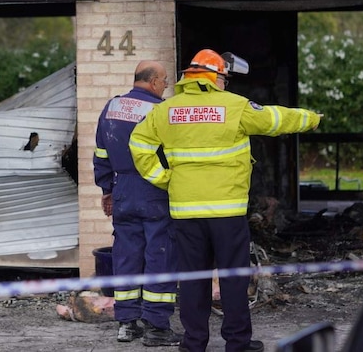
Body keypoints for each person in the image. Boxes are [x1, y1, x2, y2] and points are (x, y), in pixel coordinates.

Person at [129, 49, 322, 352]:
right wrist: (310, 119)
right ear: (215, 77)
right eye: (224, 78)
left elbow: (138, 144)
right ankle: (237, 343)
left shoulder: (167, 109)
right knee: (233, 278)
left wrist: (164, 178)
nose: (225, 84)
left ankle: (193, 344)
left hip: (186, 212)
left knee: (193, 280)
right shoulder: (233, 106)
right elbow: (274, 119)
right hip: (226, 212)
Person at [93, 60, 181, 347]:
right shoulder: (159, 111)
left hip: (121, 190)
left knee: (126, 256)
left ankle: (128, 325)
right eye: (165, 80)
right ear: (154, 81)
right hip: (153, 190)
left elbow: (101, 154)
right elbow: (171, 155)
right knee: (160, 256)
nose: (166, 86)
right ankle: (157, 327)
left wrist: (107, 190)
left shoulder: (112, 107)